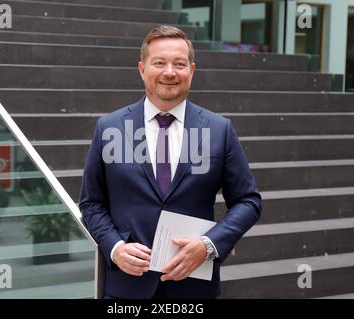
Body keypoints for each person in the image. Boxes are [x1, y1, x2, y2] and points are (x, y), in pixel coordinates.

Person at [80, 25, 261, 299]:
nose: (169, 72)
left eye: (179, 64)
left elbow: (249, 202)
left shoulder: (219, 130)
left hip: (194, 288)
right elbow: (91, 203)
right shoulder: (109, 128)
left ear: (191, 70)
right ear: (142, 69)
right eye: (159, 63)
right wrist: (115, 248)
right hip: (127, 287)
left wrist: (209, 244)